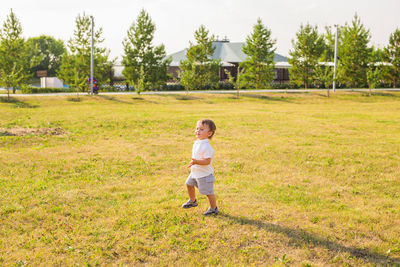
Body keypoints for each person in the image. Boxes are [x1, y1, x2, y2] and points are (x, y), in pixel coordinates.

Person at [182, 119, 218, 215]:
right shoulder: (197, 142)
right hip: (195, 173)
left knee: (208, 192)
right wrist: (194, 162)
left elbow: (207, 161)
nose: (198, 131)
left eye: (201, 129)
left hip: (204, 175)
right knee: (189, 184)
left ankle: (213, 208)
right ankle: (193, 201)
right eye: (197, 128)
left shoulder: (207, 147)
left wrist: (196, 161)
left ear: (209, 133)